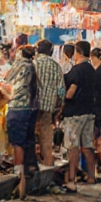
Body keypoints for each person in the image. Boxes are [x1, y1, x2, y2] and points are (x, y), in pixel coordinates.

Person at [0, 45, 38, 198]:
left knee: (18, 143)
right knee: (26, 142)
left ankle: (19, 178)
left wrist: (3, 91)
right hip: (28, 109)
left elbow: (5, 80)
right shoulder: (31, 66)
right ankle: (28, 174)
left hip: (17, 108)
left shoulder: (21, 64)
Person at [61, 40, 97, 190]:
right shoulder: (92, 69)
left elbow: (70, 93)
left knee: (73, 146)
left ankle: (71, 180)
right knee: (87, 144)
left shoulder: (76, 71)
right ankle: (91, 176)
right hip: (89, 111)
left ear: (78, 52)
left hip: (75, 113)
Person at [32, 40, 66, 168]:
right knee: (46, 140)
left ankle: (33, 166)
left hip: (32, 107)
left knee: (31, 138)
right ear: (51, 51)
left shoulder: (33, 63)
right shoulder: (56, 66)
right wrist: (60, 107)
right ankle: (47, 166)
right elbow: (61, 89)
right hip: (47, 108)